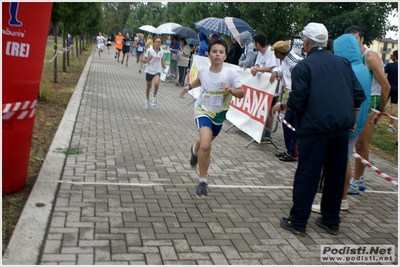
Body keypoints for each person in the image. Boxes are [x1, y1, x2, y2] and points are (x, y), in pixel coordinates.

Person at [272, 22, 366, 236]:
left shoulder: (304, 66)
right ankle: (331, 220)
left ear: (306, 43)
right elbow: (358, 96)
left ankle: (298, 221)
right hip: (340, 130)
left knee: (307, 175)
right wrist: (353, 119)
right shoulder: (343, 63)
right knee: (335, 175)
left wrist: (282, 105)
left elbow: (298, 101)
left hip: (314, 131)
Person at [312, 33, 372, 214]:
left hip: (347, 123)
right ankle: (340, 198)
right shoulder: (362, 68)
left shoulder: (348, 69)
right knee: (343, 159)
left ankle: (340, 199)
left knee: (340, 163)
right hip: (357, 121)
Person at [179, 39, 244, 198]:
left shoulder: (230, 74)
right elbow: (200, 80)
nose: (217, 55)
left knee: (204, 144)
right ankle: (203, 181)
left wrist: (231, 90)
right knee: (206, 146)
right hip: (202, 110)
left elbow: (241, 93)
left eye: (221, 52)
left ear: (225, 55)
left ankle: (194, 150)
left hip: (219, 115)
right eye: (214, 51)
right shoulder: (202, 70)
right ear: (208, 54)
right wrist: (188, 87)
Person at [344, 26, 391, 195]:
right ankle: (357, 177)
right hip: (357, 102)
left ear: (362, 39)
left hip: (371, 102)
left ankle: (357, 180)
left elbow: (386, 86)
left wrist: (379, 111)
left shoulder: (370, 57)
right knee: (353, 143)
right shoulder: (350, 57)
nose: (352, 43)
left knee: (361, 144)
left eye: (354, 39)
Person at [269, 40, 303, 161]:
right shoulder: (284, 60)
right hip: (292, 96)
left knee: (292, 124)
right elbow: (281, 69)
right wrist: (275, 72)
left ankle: (293, 152)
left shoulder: (296, 62)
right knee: (287, 123)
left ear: (279, 52)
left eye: (275, 52)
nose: (274, 55)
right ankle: (290, 150)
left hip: (297, 96)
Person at [143, 36, 166, 110]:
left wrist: (163, 64)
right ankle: (147, 100)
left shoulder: (162, 51)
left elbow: (161, 58)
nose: (158, 43)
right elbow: (144, 60)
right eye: (156, 42)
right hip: (149, 70)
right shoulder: (149, 50)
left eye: (159, 42)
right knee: (148, 87)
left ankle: (154, 96)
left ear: (161, 44)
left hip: (157, 70)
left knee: (156, 83)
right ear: (153, 42)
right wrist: (148, 59)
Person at [384, 50, 398, 132]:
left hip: (388, 88)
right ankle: (390, 125)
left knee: (382, 106)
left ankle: (374, 122)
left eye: (392, 55)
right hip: (397, 90)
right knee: (393, 107)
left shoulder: (390, 65)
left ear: (395, 56)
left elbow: (382, 72)